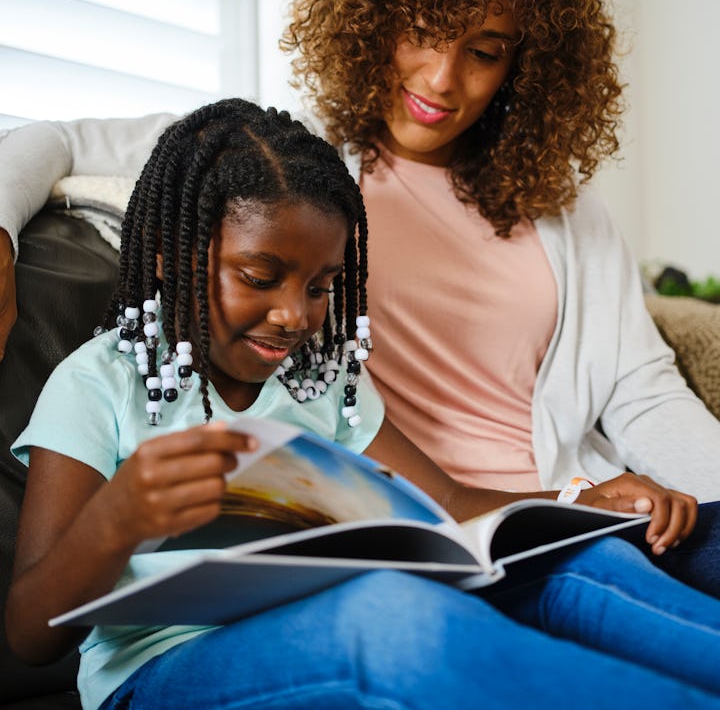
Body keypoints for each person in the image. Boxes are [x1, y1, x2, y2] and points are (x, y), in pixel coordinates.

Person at [0, 0, 718, 585]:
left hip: (562, 512)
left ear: (521, 66)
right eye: (425, 29)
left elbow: (642, 390)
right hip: (422, 538)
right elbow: (53, 140)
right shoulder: (281, 170)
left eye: (484, 51)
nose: (443, 77)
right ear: (373, 14)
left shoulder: (566, 209)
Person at [7, 96, 720, 710]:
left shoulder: (324, 379)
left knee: (587, 564)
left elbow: (446, 498)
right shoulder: (98, 383)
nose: (294, 315)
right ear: (170, 256)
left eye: (319, 287)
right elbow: (30, 634)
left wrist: (579, 502)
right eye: (261, 277)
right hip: (165, 670)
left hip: (318, 622)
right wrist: (119, 519)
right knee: (390, 615)